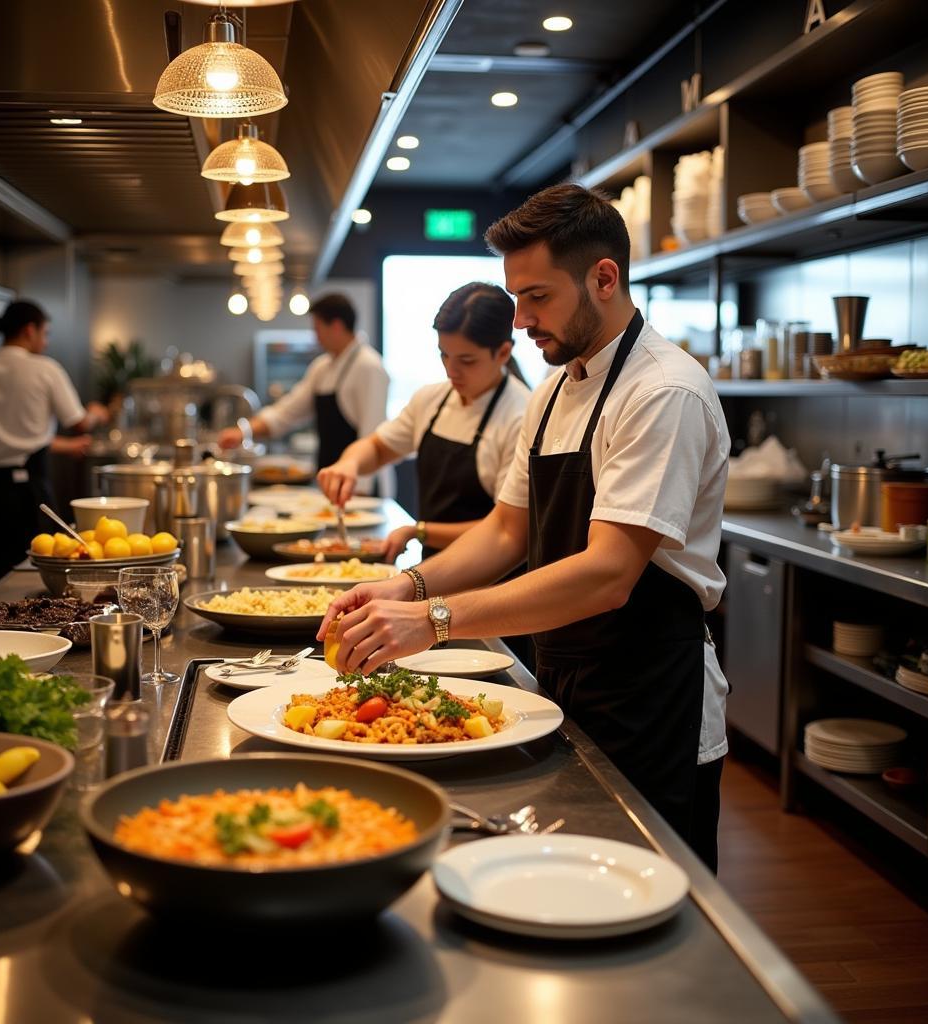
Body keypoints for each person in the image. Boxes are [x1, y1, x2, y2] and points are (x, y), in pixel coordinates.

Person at [316, 184, 730, 869]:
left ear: (604, 278)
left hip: (654, 695)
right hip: (569, 676)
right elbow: (507, 534)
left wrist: (436, 620)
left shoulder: (663, 391)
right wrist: (405, 588)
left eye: (537, 296)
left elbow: (608, 574)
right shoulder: (557, 389)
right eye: (517, 298)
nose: (521, 318)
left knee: (653, 905)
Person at [317, 282, 530, 562]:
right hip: (433, 570)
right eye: (444, 355)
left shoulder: (521, 415)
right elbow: (379, 448)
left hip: (491, 579)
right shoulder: (432, 399)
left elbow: (505, 530)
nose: (451, 370)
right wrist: (350, 464)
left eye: (467, 360)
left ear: (503, 353)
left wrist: (419, 531)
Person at [0, 299, 108, 588]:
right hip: (29, 494)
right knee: (39, 578)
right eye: (46, 334)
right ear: (30, 330)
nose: (45, 342)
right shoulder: (44, 369)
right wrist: (97, 412)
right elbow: (78, 422)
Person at [219, 293, 390, 491]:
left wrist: (360, 490)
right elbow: (288, 412)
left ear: (336, 326)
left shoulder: (369, 366)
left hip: (359, 484)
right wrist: (244, 431)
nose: (315, 337)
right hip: (330, 479)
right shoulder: (322, 367)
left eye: (317, 329)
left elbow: (373, 435)